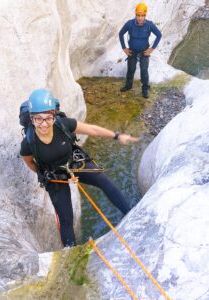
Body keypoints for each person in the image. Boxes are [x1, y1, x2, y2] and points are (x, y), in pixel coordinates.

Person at [20, 88, 139, 247]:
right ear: (31, 118)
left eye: (48, 118)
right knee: (66, 218)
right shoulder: (29, 142)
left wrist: (117, 136)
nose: (43, 124)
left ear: (54, 115)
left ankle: (132, 215)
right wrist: (44, 173)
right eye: (38, 119)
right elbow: (29, 162)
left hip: (73, 163)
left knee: (105, 182)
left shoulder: (63, 125)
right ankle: (71, 250)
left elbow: (92, 129)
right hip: (54, 176)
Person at [119, 3, 162, 98]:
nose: (140, 18)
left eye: (142, 15)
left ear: (145, 15)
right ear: (135, 14)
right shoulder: (130, 24)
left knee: (144, 70)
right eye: (138, 15)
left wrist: (151, 49)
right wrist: (124, 48)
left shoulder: (149, 25)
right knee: (131, 69)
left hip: (144, 50)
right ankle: (128, 85)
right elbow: (121, 33)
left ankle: (145, 88)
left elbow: (159, 35)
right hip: (132, 50)